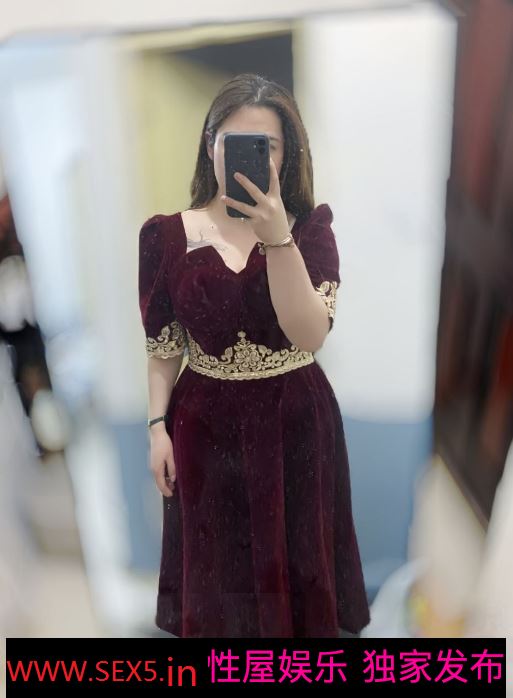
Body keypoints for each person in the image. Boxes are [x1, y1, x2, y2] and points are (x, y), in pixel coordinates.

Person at [138, 72, 370, 638]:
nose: (250, 155)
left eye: (267, 145)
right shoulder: (165, 236)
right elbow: (164, 348)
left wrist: (277, 238)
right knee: (219, 585)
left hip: (297, 424)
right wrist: (156, 428)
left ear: (287, 155)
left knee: (299, 574)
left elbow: (308, 334)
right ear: (210, 144)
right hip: (203, 430)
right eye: (234, 140)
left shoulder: (310, 230)